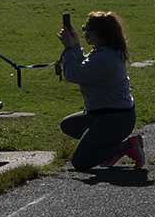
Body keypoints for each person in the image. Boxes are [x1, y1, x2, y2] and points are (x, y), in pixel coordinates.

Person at [58, 11, 144, 171]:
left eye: (86, 30)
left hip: (115, 118)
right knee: (68, 125)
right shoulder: (102, 52)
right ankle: (109, 151)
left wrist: (69, 48)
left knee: (80, 162)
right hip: (104, 114)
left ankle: (127, 146)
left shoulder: (105, 57)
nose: (84, 33)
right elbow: (85, 66)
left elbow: (73, 74)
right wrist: (76, 45)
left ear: (98, 33)